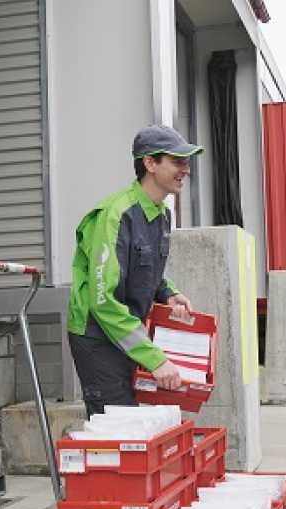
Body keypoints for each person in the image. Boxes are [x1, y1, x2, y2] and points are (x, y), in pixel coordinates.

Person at [66, 124, 202, 417]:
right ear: (150, 163)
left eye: (187, 162)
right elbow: (103, 301)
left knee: (130, 424)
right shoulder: (115, 215)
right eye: (177, 161)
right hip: (98, 336)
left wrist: (168, 293)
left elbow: (145, 267)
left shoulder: (162, 214)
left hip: (127, 332)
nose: (186, 170)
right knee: (118, 426)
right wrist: (155, 359)